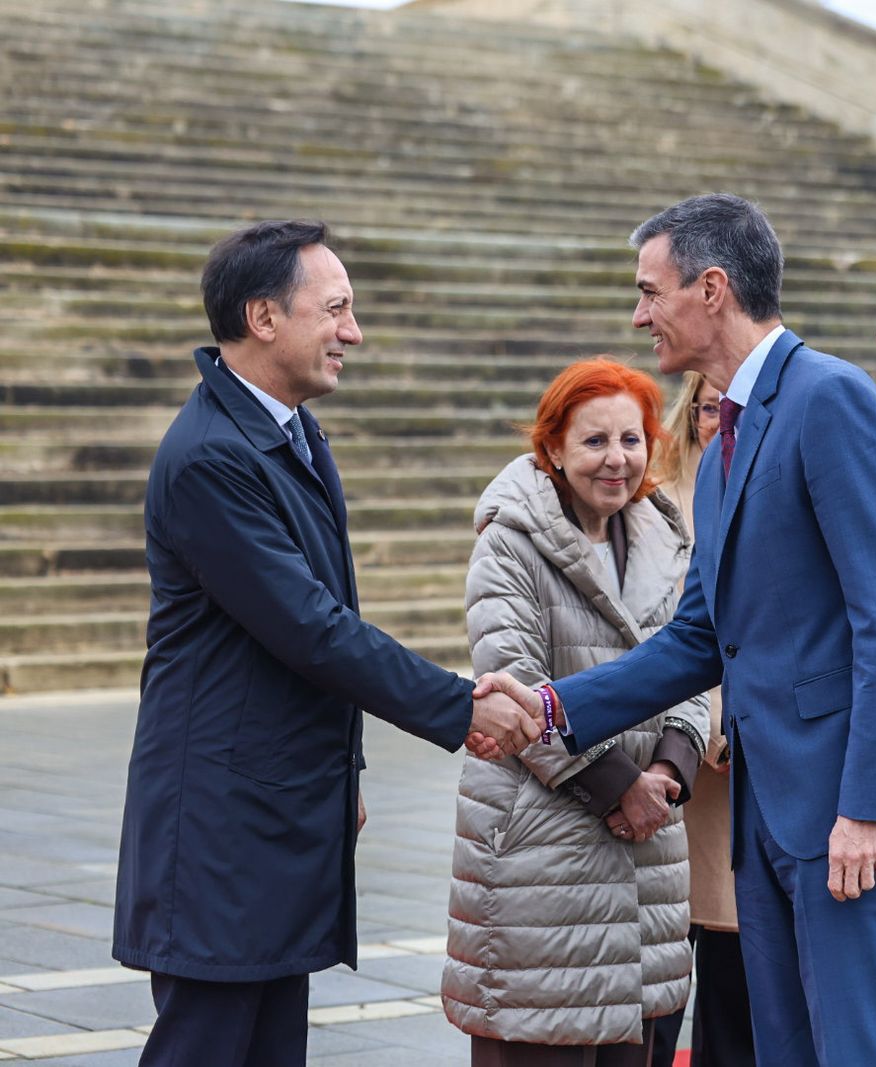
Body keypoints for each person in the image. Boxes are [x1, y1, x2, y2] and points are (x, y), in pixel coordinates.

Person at [480, 192, 876, 1067]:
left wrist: (869, 807)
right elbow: (698, 639)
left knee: (858, 1050)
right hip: (767, 809)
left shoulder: (830, 399)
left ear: (711, 289)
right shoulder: (723, 444)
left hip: (848, 809)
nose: (639, 315)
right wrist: (551, 706)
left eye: (650, 291)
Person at [111, 219, 537, 1067]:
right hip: (222, 821)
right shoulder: (212, 458)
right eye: (336, 309)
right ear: (263, 317)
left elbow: (318, 623)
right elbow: (310, 627)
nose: (354, 331)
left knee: (271, 1044)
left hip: (275, 805)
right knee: (210, 1042)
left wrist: (346, 772)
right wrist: (461, 706)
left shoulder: (288, 433)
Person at [443, 358, 709, 1067]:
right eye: (595, 441)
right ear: (554, 448)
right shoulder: (510, 539)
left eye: (632, 438)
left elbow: (694, 659)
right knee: (543, 1038)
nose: (617, 459)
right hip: (542, 844)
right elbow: (514, 689)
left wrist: (669, 772)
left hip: (649, 843)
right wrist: (621, 786)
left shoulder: (667, 535)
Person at [650, 371, 757, 1067]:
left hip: (744, 774)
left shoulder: (768, 484)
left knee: (735, 979)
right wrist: (708, 722)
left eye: (733, 410)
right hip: (672, 757)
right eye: (709, 409)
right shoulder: (656, 497)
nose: (720, 423)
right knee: (656, 982)